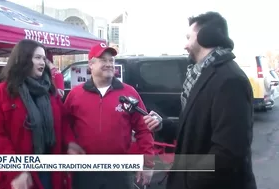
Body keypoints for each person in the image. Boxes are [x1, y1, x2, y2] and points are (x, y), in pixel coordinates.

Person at [166, 12, 256, 189]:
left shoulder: (230, 80)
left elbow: (228, 153)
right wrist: (164, 125)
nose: (185, 45)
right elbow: (196, 129)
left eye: (188, 37)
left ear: (205, 36)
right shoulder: (202, 75)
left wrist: (189, 180)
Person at [64, 43, 159, 189]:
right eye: (103, 60)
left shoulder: (129, 93)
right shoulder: (76, 94)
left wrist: (147, 163)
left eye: (111, 60)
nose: (109, 64)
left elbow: (144, 129)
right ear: (91, 64)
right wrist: (70, 144)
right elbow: (64, 126)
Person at [0, 39, 69, 189]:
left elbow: (64, 123)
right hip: (20, 176)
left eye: (44, 58)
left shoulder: (50, 91)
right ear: (23, 59)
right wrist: (17, 170)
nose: (42, 62)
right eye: (37, 58)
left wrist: (71, 143)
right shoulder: (2, 93)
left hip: (50, 171)